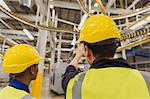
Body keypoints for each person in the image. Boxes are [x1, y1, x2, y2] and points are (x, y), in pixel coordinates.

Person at [62, 14, 150, 99]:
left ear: (87, 51)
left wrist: (78, 55)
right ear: (115, 47)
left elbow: (69, 71)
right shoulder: (146, 81)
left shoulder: (76, 85)